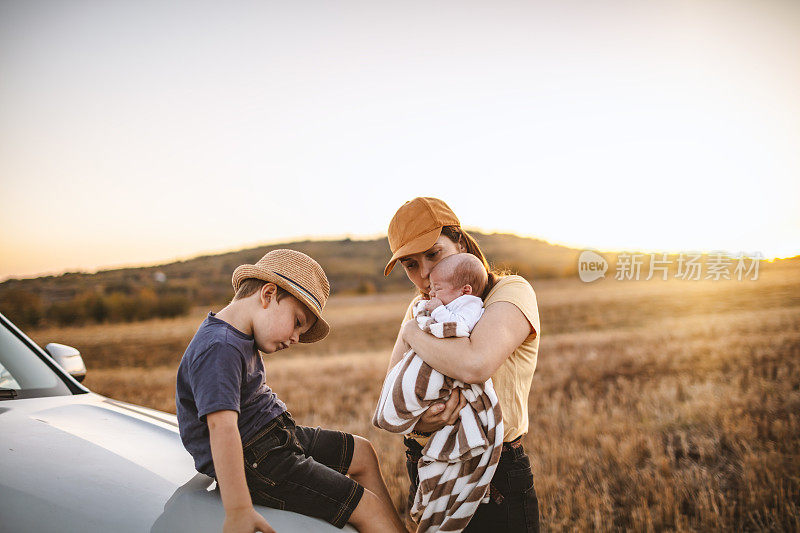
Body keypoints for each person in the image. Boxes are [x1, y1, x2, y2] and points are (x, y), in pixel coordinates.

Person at [175, 249, 406, 533]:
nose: (296, 338)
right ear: (268, 294)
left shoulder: (238, 335)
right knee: (365, 506)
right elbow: (221, 427)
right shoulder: (219, 348)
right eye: (297, 322)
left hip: (274, 438)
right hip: (258, 459)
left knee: (363, 452)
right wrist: (239, 510)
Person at [383, 197, 541, 532]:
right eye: (411, 265)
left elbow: (475, 364)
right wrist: (422, 425)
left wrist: (411, 330)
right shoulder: (421, 308)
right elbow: (393, 390)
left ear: (461, 242)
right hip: (426, 465)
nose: (424, 274)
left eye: (433, 254)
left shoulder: (509, 292)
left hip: (492, 474)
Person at [373, 252, 503, 532]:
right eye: (411, 265)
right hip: (420, 445)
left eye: (434, 255)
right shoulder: (429, 302)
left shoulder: (472, 303)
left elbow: (458, 333)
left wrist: (422, 322)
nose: (427, 281)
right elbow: (396, 370)